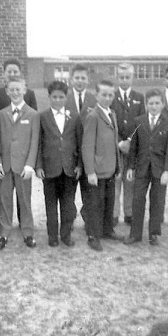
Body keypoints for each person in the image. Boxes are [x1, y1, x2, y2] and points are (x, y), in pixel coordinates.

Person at [124, 89, 168, 246]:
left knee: (157, 201)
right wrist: (131, 167)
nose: (154, 106)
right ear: (146, 105)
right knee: (138, 199)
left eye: (157, 103)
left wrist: (167, 170)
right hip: (142, 167)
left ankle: (154, 233)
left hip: (159, 169)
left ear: (162, 104)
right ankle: (135, 234)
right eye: (151, 103)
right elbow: (133, 147)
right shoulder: (138, 121)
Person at [36, 81, 82, 247]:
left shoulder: (74, 116)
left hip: (69, 168)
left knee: (68, 203)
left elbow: (79, 142)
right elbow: (39, 143)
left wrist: (79, 165)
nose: (57, 100)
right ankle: (52, 235)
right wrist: (39, 166)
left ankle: (66, 234)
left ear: (66, 97)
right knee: (50, 203)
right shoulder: (42, 117)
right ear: (49, 97)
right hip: (49, 168)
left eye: (61, 97)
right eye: (54, 97)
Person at [0, 76, 40, 249]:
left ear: (24, 90)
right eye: (11, 90)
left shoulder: (33, 114)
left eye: (18, 89)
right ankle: (4, 232)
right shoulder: (1, 114)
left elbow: (34, 141)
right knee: (4, 200)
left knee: (25, 200)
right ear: (7, 91)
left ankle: (28, 232)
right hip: (5, 165)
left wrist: (30, 164)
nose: (15, 93)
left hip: (23, 166)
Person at [82, 79, 123, 251]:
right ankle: (93, 235)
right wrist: (90, 171)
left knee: (108, 200)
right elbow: (87, 145)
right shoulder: (93, 116)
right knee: (95, 204)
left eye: (110, 94)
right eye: (103, 94)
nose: (107, 98)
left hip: (110, 168)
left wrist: (118, 166)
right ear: (96, 95)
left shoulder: (111, 114)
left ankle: (107, 230)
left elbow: (114, 142)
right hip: (97, 170)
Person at [111, 63, 145, 227]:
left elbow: (142, 122)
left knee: (130, 181)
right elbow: (109, 122)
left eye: (127, 77)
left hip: (133, 147)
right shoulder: (112, 96)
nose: (124, 80)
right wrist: (119, 142)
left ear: (132, 78)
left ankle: (129, 213)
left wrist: (130, 141)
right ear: (117, 78)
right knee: (116, 180)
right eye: (121, 77)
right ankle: (114, 214)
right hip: (115, 148)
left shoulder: (140, 97)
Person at [65, 64, 97, 230]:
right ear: (71, 80)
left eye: (83, 78)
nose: (79, 81)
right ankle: (69, 221)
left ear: (88, 80)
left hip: (89, 153)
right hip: (70, 154)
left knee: (89, 191)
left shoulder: (94, 99)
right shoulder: (65, 99)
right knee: (69, 192)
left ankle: (88, 221)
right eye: (76, 78)